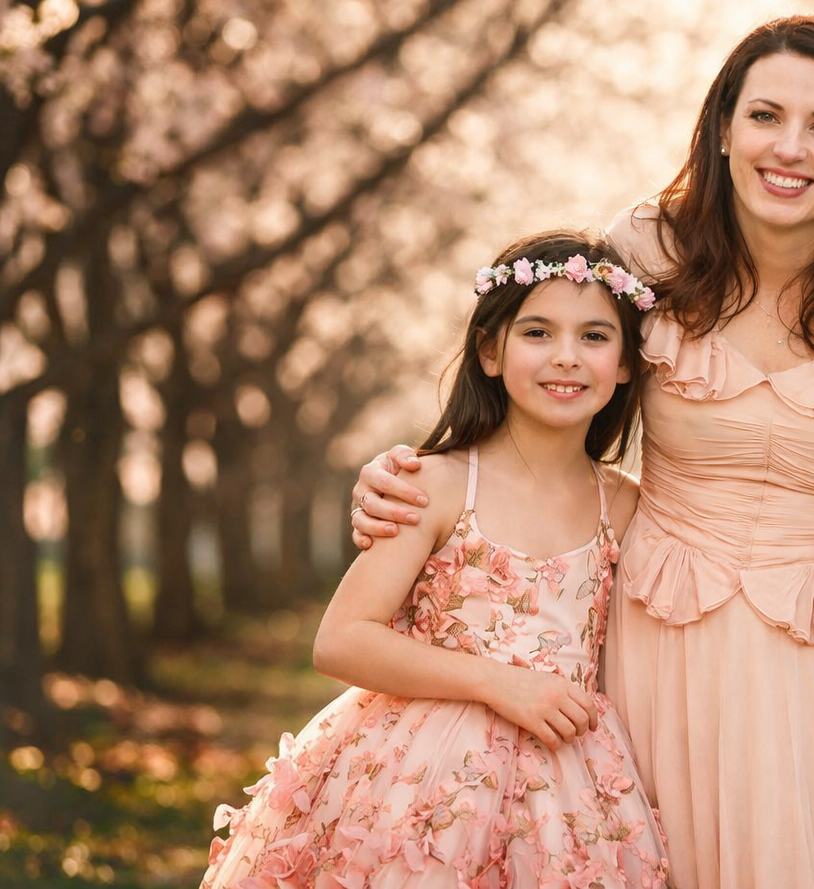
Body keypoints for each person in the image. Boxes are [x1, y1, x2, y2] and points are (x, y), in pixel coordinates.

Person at [352, 15, 814, 888]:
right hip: (657, 636)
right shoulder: (650, 248)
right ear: (723, 129)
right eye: (764, 116)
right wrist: (415, 470)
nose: (789, 149)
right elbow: (557, 396)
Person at [202, 230, 670, 889]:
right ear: (489, 350)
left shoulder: (624, 505)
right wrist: (499, 683)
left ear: (625, 363)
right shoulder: (436, 485)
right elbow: (341, 641)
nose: (567, 357)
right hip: (424, 779)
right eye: (537, 333)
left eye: (595, 336)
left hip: (571, 787)